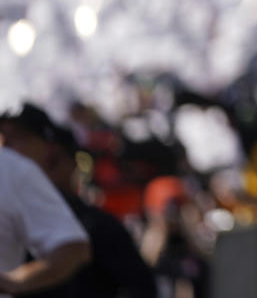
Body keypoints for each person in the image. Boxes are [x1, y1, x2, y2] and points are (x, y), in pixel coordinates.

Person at [0, 104, 157, 298]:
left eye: (17, 137)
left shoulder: (98, 225)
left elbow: (140, 288)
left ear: (53, 155)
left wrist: (15, 280)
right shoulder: (12, 212)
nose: (5, 147)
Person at [0, 119, 91, 296]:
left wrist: (14, 281)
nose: (7, 140)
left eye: (20, 136)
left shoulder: (11, 169)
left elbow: (73, 247)